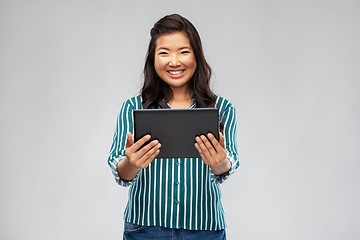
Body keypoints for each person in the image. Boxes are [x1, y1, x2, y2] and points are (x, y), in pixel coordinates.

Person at [108, 13, 240, 240]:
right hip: (145, 228)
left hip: (205, 228)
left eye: (183, 52)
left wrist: (219, 163)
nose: (174, 61)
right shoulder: (132, 107)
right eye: (164, 53)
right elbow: (121, 173)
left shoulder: (222, 109)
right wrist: (131, 162)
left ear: (197, 56)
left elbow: (227, 167)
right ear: (153, 59)